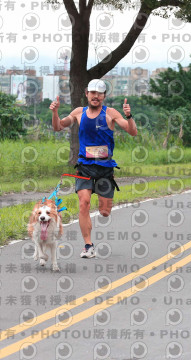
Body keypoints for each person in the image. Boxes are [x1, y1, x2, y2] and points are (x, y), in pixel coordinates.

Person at [50, 79, 138, 258]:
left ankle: (102, 205)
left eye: (99, 93)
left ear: (104, 96)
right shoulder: (78, 113)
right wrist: (55, 112)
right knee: (84, 204)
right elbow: (58, 126)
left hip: (105, 168)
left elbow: (132, 131)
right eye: (92, 92)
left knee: (105, 212)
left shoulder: (111, 113)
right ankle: (88, 246)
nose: (95, 96)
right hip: (85, 167)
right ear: (87, 94)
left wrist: (129, 116)